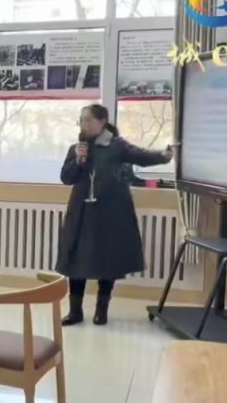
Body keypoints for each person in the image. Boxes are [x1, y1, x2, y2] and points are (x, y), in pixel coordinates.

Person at [55, 104, 174, 326]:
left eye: (88, 120)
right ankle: (75, 311)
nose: (83, 124)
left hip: (110, 215)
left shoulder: (116, 146)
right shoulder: (76, 149)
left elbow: (141, 156)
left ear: (102, 122)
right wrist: (78, 161)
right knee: (77, 261)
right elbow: (66, 178)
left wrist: (163, 156)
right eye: (81, 120)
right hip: (82, 214)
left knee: (106, 260)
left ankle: (101, 310)